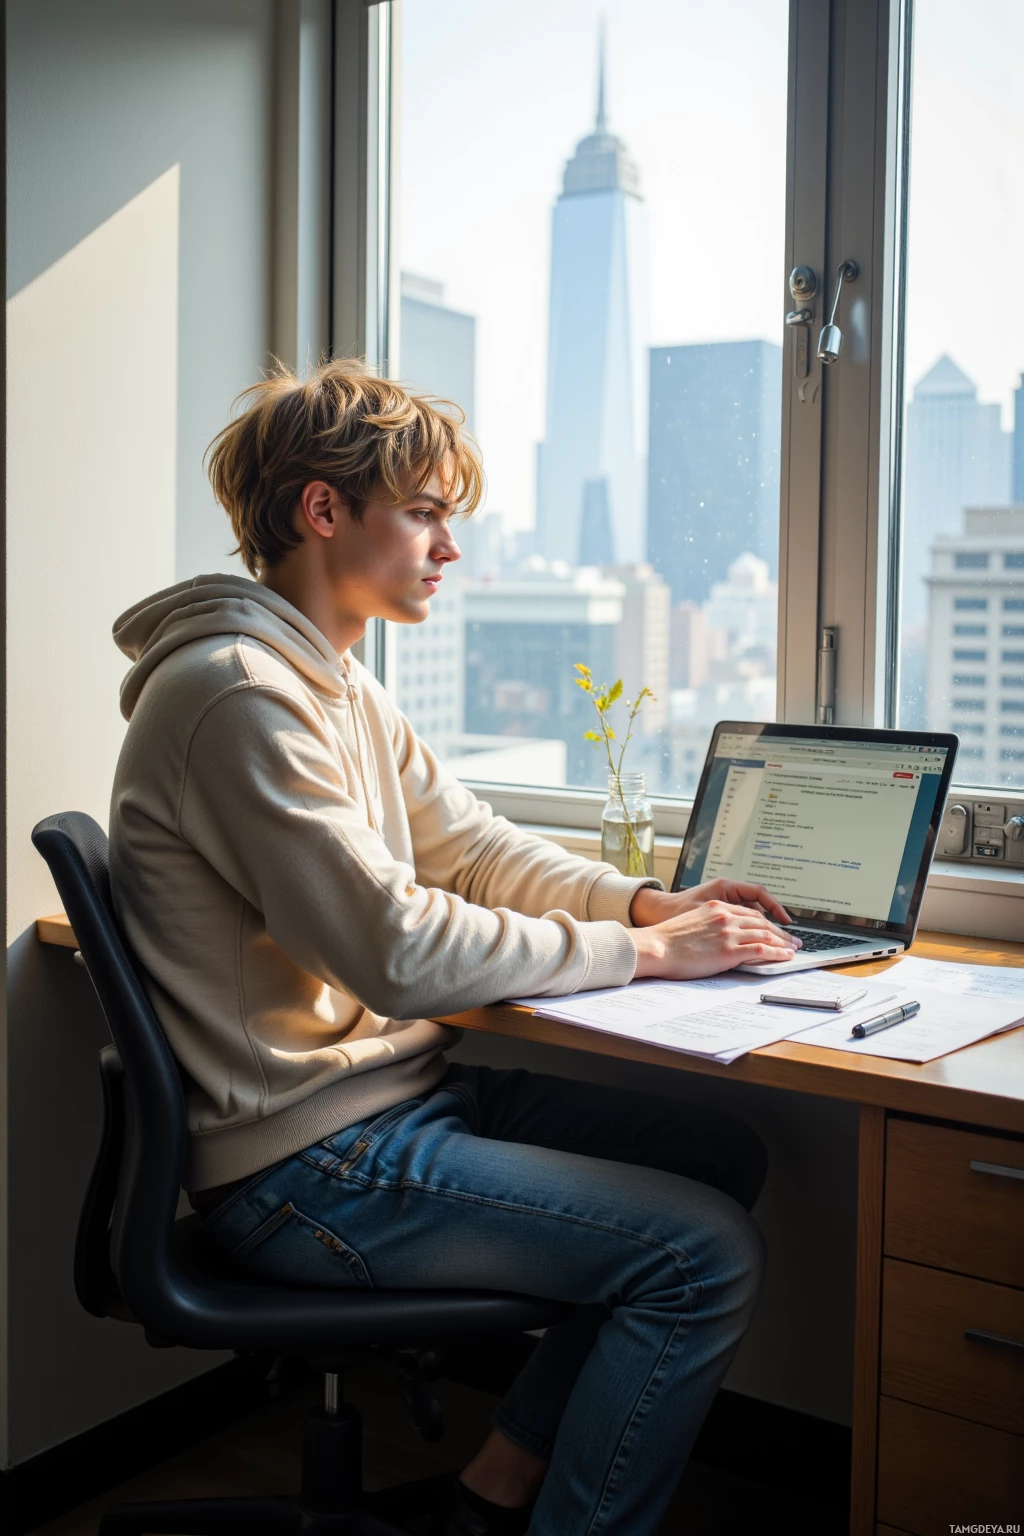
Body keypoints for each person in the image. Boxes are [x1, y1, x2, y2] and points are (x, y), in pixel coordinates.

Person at [109, 359, 801, 1536]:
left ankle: (489, 1499)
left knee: (716, 1154)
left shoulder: (337, 680)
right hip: (305, 1164)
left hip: (392, 1105)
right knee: (702, 1255)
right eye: (424, 512)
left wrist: (646, 905)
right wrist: (648, 961)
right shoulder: (236, 693)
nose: (449, 546)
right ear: (324, 511)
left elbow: (472, 849)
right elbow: (396, 949)